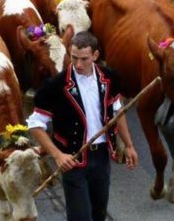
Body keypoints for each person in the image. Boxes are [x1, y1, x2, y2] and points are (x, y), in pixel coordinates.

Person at [27, 31, 138, 221]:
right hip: (72, 159)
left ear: (95, 55)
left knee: (98, 214)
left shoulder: (109, 77)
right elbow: (35, 125)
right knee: (80, 217)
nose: (78, 64)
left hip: (101, 158)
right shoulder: (55, 86)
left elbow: (117, 112)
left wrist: (128, 145)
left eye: (84, 59)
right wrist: (57, 155)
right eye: (74, 58)